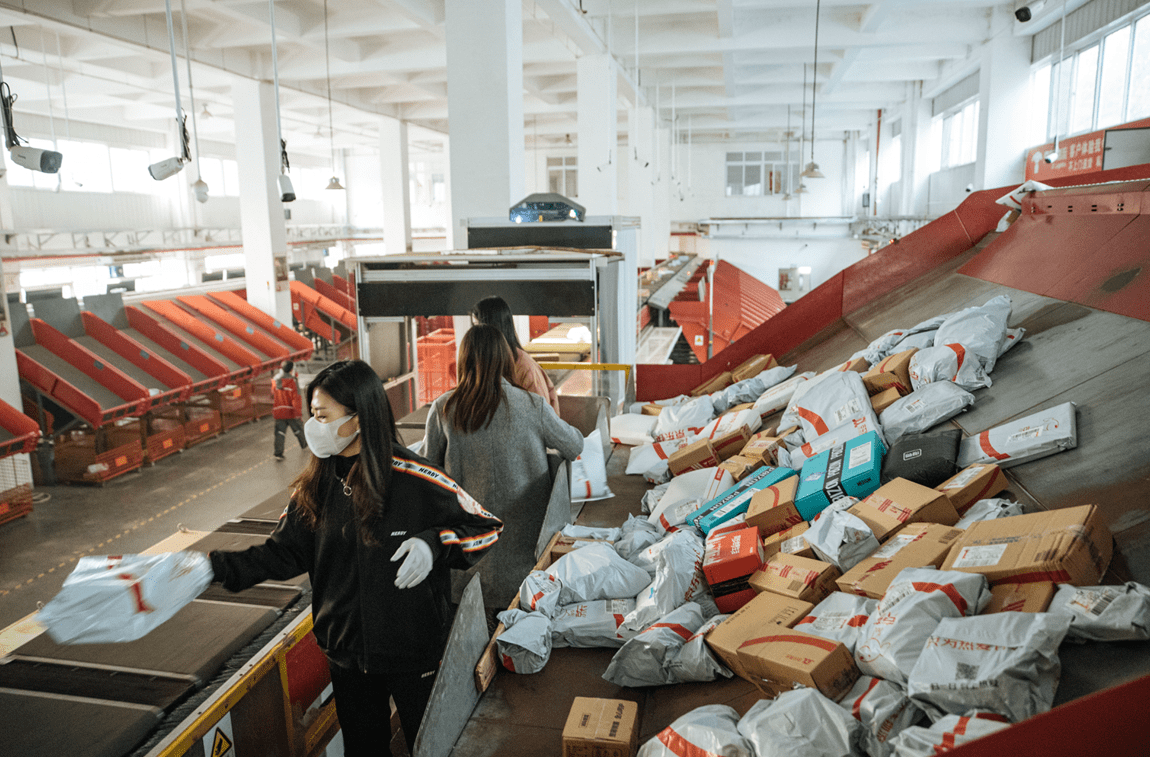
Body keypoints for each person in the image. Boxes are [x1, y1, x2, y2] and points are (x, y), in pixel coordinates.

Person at [210, 360, 503, 755]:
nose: (314, 426)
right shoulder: (314, 487)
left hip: (413, 650)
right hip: (347, 656)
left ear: (359, 418)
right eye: (311, 415)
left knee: (430, 745)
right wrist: (211, 569)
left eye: (322, 415)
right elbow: (282, 554)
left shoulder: (417, 479)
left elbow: (486, 527)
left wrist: (435, 544)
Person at [423, 324, 583, 617]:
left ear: (463, 361)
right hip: (527, 561)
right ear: (505, 360)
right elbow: (574, 445)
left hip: (467, 560)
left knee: (470, 644)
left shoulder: (444, 408)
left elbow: (427, 474)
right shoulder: (532, 405)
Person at [470, 295, 561, 415]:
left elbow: (543, 418)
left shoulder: (525, 368)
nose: (476, 334)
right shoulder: (485, 363)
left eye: (479, 327)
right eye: (474, 327)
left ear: (496, 328)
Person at [272, 360, 307, 460]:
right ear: (291, 369)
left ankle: (278, 453)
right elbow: (296, 398)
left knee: (279, 433)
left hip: (279, 411)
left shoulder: (275, 380)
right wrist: (298, 413)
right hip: (291, 411)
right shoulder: (293, 381)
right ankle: (305, 444)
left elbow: (273, 393)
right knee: (298, 430)